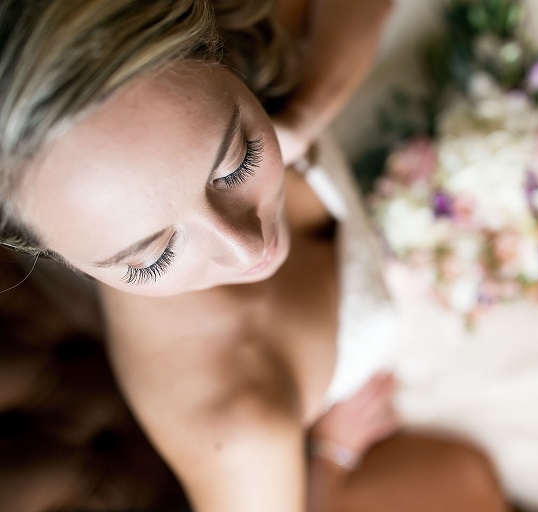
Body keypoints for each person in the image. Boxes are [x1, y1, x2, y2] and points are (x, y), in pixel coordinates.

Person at [0, 0, 508, 511]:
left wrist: (306, 113)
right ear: (58, 255)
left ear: (216, 55)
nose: (247, 250)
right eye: (155, 258)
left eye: (238, 163)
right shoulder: (238, 433)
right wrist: (332, 460)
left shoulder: (215, 48)